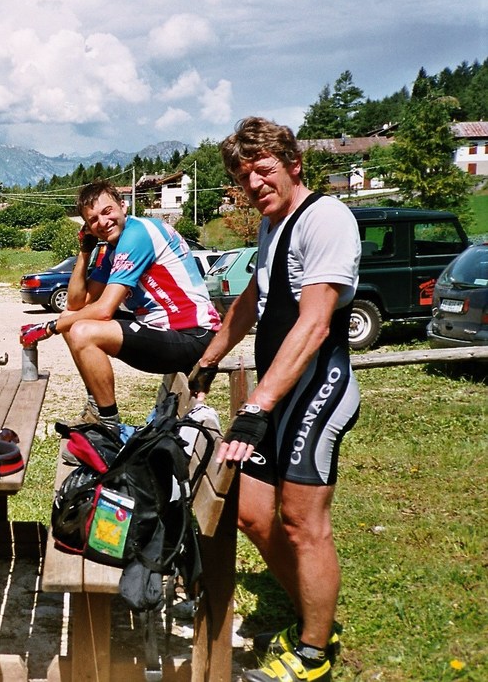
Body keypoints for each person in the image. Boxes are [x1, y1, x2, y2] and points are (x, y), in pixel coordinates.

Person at [190, 117, 361, 682]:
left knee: (302, 521)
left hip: (317, 387)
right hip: (279, 392)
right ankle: (314, 614)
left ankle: (314, 654)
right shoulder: (272, 224)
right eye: (245, 176)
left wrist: (256, 409)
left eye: (263, 170)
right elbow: (252, 299)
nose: (255, 183)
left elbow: (313, 325)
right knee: (253, 514)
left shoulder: (327, 219)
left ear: (293, 164)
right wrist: (211, 357)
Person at [21, 179, 221, 433]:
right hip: (164, 333)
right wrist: (84, 252)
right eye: (93, 220)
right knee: (74, 321)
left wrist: (50, 326)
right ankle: (96, 410)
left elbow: (104, 309)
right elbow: (76, 303)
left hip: (193, 335)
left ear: (123, 207)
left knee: (81, 330)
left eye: (107, 212)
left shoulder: (137, 235)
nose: (103, 222)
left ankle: (107, 427)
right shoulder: (113, 249)